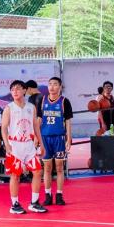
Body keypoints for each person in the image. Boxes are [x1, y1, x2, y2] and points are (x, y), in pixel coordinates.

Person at [1, 80, 46, 215]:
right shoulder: (9, 108)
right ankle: (14, 204)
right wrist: (7, 144)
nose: (15, 91)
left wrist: (41, 144)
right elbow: (4, 128)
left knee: (38, 171)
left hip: (29, 144)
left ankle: (34, 202)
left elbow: (36, 126)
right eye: (12, 89)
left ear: (24, 90)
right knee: (15, 175)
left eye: (18, 88)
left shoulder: (31, 107)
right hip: (15, 145)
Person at [38, 76, 73, 205]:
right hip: (45, 138)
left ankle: (59, 195)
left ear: (60, 86)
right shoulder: (42, 100)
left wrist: (69, 138)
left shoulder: (64, 101)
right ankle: (47, 195)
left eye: (55, 84)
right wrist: (36, 137)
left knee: (59, 168)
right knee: (47, 168)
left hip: (59, 138)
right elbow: (38, 120)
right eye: (50, 84)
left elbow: (68, 121)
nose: (52, 87)